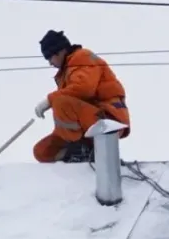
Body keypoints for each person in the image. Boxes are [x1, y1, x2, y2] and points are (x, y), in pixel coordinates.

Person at [32, 30, 131, 165]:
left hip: (106, 119)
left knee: (61, 101)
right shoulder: (66, 71)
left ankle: (81, 152)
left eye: (49, 58)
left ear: (59, 51)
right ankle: (79, 153)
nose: (50, 63)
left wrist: (49, 100)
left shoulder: (82, 57)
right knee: (42, 151)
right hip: (86, 124)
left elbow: (84, 88)